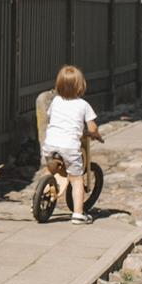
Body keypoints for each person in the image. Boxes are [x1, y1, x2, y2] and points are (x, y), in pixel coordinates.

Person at [41, 64, 103, 225]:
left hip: (50, 144)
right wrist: (95, 134)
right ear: (81, 86)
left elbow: (51, 117)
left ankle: (41, 193)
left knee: (51, 171)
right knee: (76, 179)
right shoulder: (83, 105)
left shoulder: (56, 101)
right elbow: (92, 127)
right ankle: (78, 214)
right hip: (69, 146)